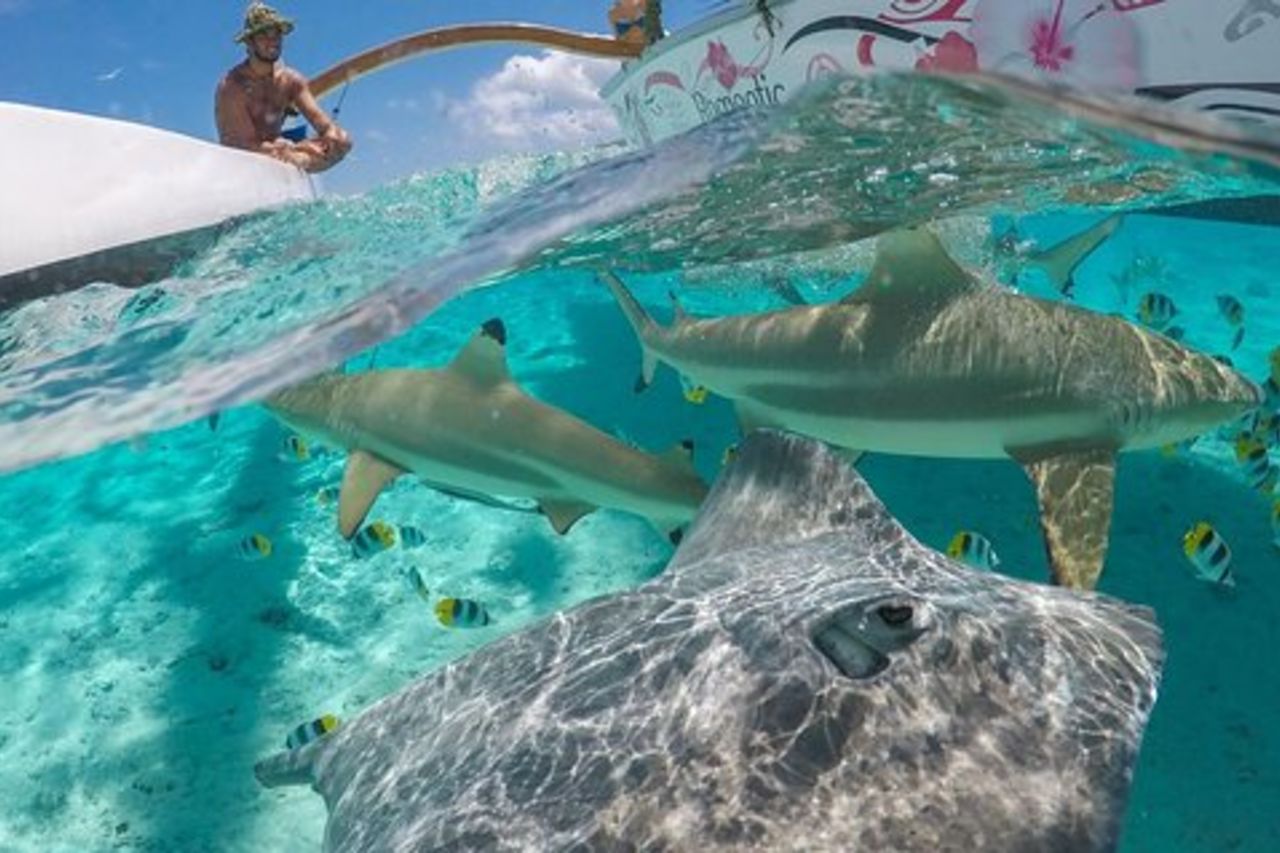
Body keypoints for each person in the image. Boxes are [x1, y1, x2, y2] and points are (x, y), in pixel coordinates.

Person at [214, 3, 352, 173]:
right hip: (245, 162)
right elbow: (241, 146)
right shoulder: (232, 87)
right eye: (264, 34)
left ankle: (300, 162)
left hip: (283, 151)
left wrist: (331, 135)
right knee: (278, 152)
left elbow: (324, 125)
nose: (273, 41)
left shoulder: (291, 81)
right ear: (249, 42)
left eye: (276, 33)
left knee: (342, 141)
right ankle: (297, 160)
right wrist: (290, 149)